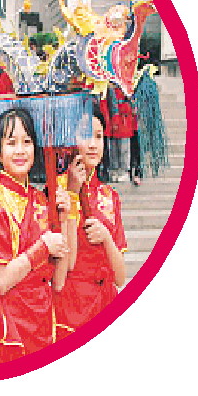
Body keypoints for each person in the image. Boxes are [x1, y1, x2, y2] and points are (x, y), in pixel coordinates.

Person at [0, 108, 70, 368]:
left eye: (27, 142)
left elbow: (59, 281)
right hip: (7, 323)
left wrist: (64, 219)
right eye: (11, 142)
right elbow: (2, 282)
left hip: (41, 318)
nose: (20, 150)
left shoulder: (41, 200)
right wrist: (42, 247)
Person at [53, 106, 127, 341]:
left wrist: (106, 238)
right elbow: (67, 265)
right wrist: (73, 194)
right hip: (71, 307)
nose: (93, 144)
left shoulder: (110, 196)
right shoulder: (56, 192)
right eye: (85, 135)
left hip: (106, 305)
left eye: (98, 136)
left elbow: (120, 278)